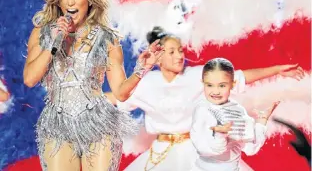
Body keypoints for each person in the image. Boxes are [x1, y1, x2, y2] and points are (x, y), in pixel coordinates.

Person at [23, 0, 163, 171]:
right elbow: (29, 79)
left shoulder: (106, 37)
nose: (70, 1)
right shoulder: (42, 33)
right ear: (58, 0)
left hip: (98, 122)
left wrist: (142, 69)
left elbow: (121, 93)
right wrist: (53, 43)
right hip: (57, 124)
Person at [107, 26, 304, 171]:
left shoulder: (197, 75)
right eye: (172, 52)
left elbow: (237, 77)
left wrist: (277, 70)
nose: (179, 56)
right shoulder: (146, 82)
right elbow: (115, 96)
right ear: (158, 56)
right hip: (161, 154)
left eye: (181, 51)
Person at [190, 58, 279, 171]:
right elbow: (204, 148)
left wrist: (262, 120)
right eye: (210, 85)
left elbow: (250, 148)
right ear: (203, 83)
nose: (216, 91)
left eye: (222, 86)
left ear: (233, 84)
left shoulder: (238, 110)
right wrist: (220, 135)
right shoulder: (202, 110)